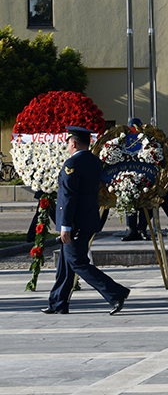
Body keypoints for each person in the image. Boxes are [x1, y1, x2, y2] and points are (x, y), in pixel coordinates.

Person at [42, 127, 130, 315]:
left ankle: (116, 293)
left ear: (73, 143)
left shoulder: (73, 164)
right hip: (89, 219)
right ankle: (58, 302)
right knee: (66, 263)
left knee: (78, 262)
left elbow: (68, 197)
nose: (67, 146)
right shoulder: (94, 161)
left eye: (68, 142)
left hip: (76, 223)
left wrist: (65, 226)